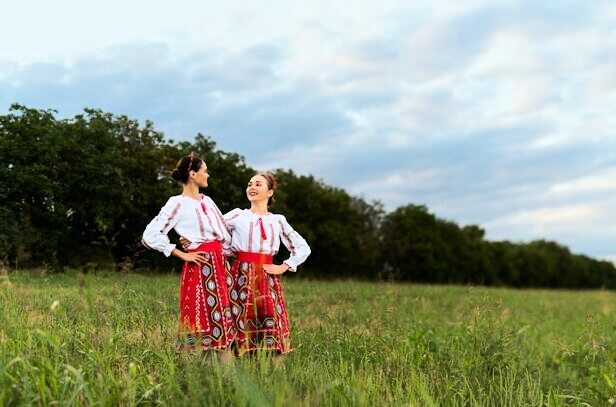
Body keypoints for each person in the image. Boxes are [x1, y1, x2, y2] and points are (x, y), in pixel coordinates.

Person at [142, 153, 235, 354]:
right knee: (199, 317)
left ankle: (223, 376)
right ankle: (192, 372)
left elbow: (225, 233)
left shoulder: (208, 201)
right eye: (205, 171)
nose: (208, 175)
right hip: (199, 265)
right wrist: (181, 252)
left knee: (223, 319)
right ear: (193, 174)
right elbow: (150, 235)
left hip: (219, 265)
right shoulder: (177, 203)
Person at [225, 172, 311, 355]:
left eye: (258, 184)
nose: (252, 187)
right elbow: (211, 231)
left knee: (267, 322)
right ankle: (235, 366)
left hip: (266, 276)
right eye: (249, 184)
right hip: (240, 275)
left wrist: (284, 266)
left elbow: (303, 247)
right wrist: (189, 240)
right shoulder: (237, 215)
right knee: (237, 318)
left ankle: (266, 368)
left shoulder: (277, 220)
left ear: (270, 192)